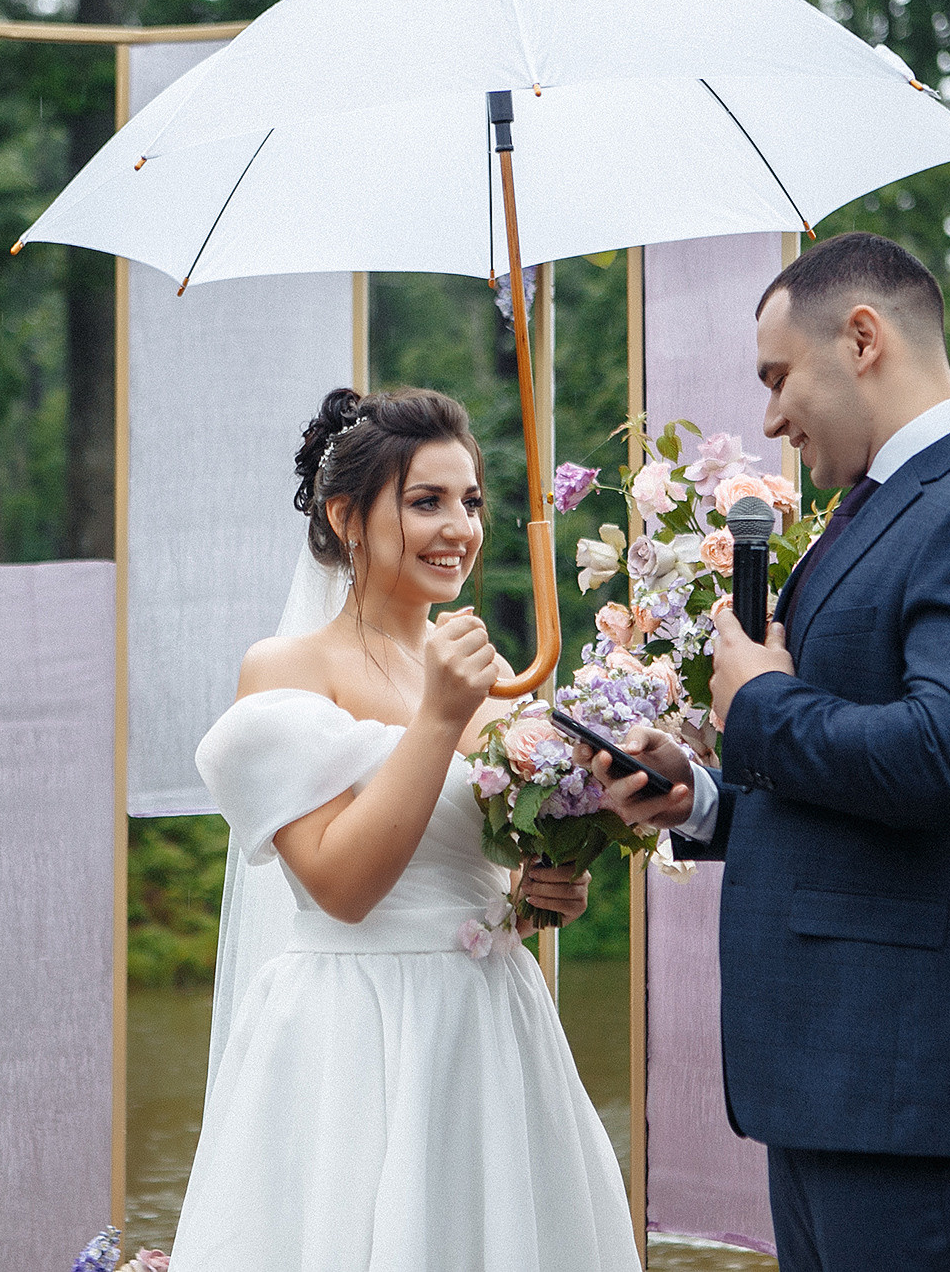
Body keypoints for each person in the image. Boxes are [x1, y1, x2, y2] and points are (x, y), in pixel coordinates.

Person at [586, 232, 950, 1272]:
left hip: (926, 1091)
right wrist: (702, 799)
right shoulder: (874, 512)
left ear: (861, 338)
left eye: (777, 376)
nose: (770, 414)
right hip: (840, 1088)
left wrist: (763, 706)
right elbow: (856, 792)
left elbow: (948, 754)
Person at [174, 386, 640, 1272]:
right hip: (356, 1035)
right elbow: (342, 888)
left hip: (488, 1031)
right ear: (348, 517)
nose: (457, 526)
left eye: (469, 500)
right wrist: (438, 717)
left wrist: (545, 890)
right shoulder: (288, 671)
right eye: (425, 502)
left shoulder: (490, 673)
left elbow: (482, 871)